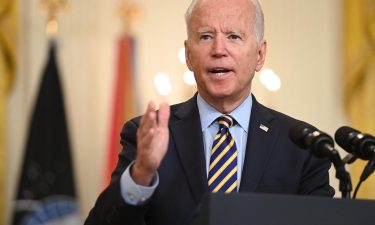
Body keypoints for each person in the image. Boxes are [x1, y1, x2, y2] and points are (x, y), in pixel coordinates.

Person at [85, 0, 335, 224]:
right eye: (205, 36)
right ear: (189, 55)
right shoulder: (145, 134)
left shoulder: (303, 145)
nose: (218, 49)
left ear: (260, 55)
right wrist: (142, 173)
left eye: (234, 36)